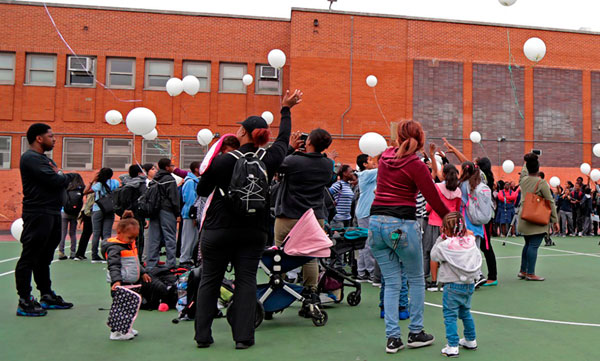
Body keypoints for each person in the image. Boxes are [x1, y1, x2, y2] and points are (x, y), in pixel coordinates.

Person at [194, 89, 302, 350]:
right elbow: (285, 138)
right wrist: (285, 109)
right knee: (246, 281)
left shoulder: (223, 161)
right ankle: (243, 337)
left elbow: (201, 190)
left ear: (243, 133)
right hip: (253, 230)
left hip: (218, 228)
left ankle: (203, 336)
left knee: (210, 279)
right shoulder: (270, 159)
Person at [369, 120, 450, 354]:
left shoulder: (385, 157)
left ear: (397, 137)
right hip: (401, 225)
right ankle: (415, 331)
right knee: (415, 278)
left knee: (392, 281)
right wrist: (449, 217)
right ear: (420, 139)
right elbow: (432, 196)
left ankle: (392, 338)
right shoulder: (415, 164)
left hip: (376, 224)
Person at [15, 123, 76, 316]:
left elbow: (58, 178)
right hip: (37, 212)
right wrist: (64, 175)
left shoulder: (44, 159)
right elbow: (56, 180)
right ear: (39, 138)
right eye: (51, 136)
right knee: (30, 256)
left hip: (51, 211)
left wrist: (61, 175)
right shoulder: (31, 158)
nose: (54, 139)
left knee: (44, 257)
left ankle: (47, 295)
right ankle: (24, 300)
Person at [273, 128, 334, 300]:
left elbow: (275, 165)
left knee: (280, 254)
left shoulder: (293, 160)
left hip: (288, 214)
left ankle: (277, 290)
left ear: (308, 142)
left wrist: (290, 148)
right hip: (314, 216)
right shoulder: (327, 164)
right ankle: (311, 293)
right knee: (310, 257)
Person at [431, 212, 482, 358]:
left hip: (452, 285)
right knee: (465, 312)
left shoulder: (445, 245)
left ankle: (452, 345)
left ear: (445, 229)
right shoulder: (470, 241)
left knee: (450, 316)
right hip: (468, 284)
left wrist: (441, 238)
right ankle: (470, 339)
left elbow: (434, 256)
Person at [102, 214, 152, 341]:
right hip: (121, 282)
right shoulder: (114, 248)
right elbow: (113, 265)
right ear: (119, 232)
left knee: (130, 306)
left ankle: (126, 328)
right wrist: (116, 281)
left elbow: (136, 261)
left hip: (131, 282)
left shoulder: (130, 245)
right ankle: (116, 332)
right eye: (130, 237)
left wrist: (142, 272)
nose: (132, 240)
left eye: (134, 238)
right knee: (120, 307)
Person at [517, 153, 559, 281]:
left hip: (524, 216)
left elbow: (523, 171)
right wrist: (555, 220)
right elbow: (550, 201)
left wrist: (526, 160)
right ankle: (531, 273)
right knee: (534, 246)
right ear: (538, 169)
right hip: (536, 218)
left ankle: (523, 271)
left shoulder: (523, 180)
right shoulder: (541, 183)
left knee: (527, 244)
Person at [424, 158, 462, 292]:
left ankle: (433, 281)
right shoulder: (458, 192)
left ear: (444, 175)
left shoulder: (437, 187)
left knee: (431, 252)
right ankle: (446, 281)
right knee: (448, 253)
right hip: (450, 226)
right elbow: (457, 210)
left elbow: (430, 205)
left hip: (435, 222)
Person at [146, 158, 180, 270]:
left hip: (154, 210)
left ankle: (151, 263)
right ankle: (170, 262)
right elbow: (174, 198)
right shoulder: (169, 179)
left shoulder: (154, 179)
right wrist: (177, 212)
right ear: (167, 167)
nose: (173, 167)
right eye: (171, 165)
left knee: (154, 237)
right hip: (167, 210)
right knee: (169, 236)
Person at [84, 167, 119, 263]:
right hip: (110, 208)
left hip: (98, 208)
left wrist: (92, 181)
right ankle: (106, 255)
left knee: (96, 233)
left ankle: (94, 255)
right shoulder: (115, 182)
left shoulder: (99, 184)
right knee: (107, 234)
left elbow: (85, 192)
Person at [355, 153, 378, 283]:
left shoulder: (368, 175)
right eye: (370, 160)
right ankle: (370, 271)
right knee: (368, 244)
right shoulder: (366, 174)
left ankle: (362, 271)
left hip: (364, 212)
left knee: (364, 243)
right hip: (365, 212)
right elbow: (384, 169)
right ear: (364, 164)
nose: (372, 161)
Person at [120, 164, 149, 261]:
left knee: (125, 238)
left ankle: (125, 258)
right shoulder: (141, 185)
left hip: (125, 215)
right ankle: (137, 260)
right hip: (137, 215)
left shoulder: (125, 183)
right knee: (138, 239)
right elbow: (143, 201)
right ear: (139, 173)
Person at [58, 173, 85, 260]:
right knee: (73, 233)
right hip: (74, 213)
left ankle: (61, 252)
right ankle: (73, 253)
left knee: (63, 233)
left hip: (64, 212)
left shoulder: (66, 187)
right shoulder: (81, 188)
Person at [180, 161, 201, 267]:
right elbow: (190, 200)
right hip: (189, 215)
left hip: (193, 214)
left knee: (193, 237)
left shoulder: (195, 181)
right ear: (196, 169)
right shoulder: (190, 182)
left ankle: (189, 258)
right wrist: (193, 215)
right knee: (188, 237)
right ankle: (184, 259)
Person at [74, 192, 94, 261]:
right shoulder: (96, 189)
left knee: (85, 234)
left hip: (86, 211)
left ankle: (79, 253)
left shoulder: (91, 189)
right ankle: (95, 254)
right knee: (98, 233)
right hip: (91, 212)